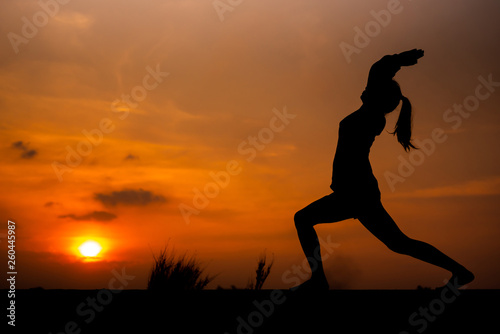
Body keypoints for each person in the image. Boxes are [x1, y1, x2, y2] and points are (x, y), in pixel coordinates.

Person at [294, 49, 474, 290]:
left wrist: (397, 60)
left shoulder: (371, 115)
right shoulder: (371, 114)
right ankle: (460, 272)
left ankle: (319, 280)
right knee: (400, 243)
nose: (364, 89)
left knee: (303, 219)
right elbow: (376, 76)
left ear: (377, 96)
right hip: (359, 192)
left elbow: (376, 71)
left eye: (370, 89)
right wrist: (397, 62)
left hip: (355, 193)